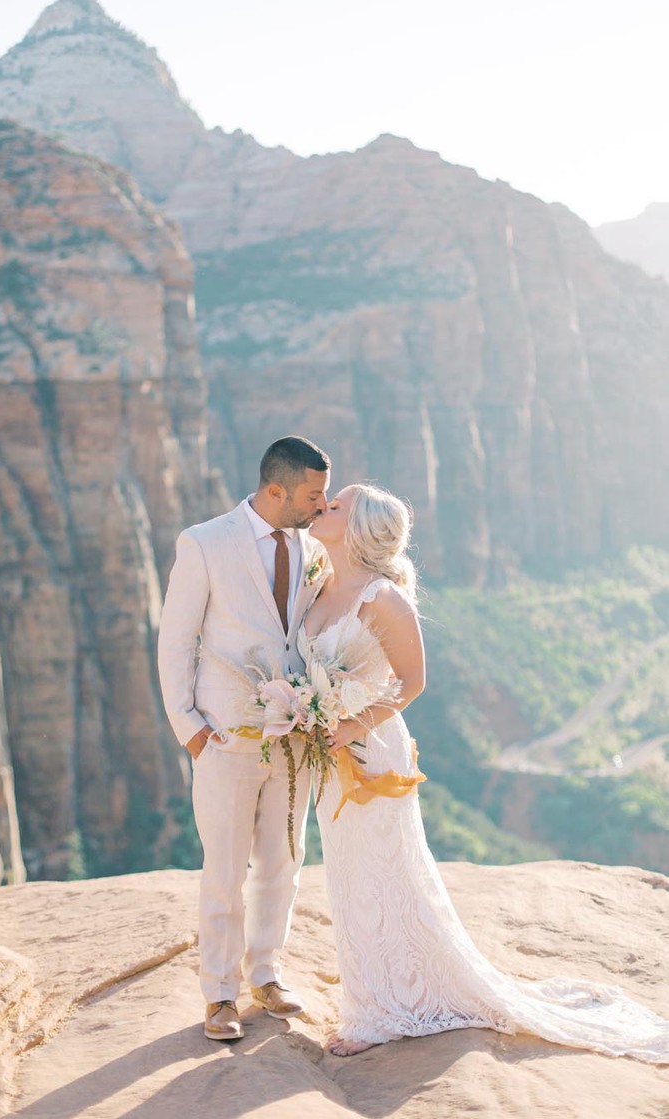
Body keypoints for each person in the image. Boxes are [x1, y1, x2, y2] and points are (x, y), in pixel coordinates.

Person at [301, 482, 669, 1062]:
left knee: (381, 873)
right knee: (349, 874)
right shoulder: (319, 582)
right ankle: (381, 991)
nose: (324, 506)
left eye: (337, 503)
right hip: (329, 758)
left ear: (359, 528)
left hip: (372, 756)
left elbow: (412, 681)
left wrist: (352, 724)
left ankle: (379, 1011)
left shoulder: (382, 597)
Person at [158, 436, 330, 1041]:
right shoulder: (204, 543)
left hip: (296, 738)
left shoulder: (315, 548)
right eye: (314, 495)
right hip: (225, 738)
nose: (323, 505)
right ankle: (219, 994)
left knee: (285, 862)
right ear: (276, 489)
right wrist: (192, 732)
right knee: (224, 868)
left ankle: (267, 973)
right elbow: (176, 641)